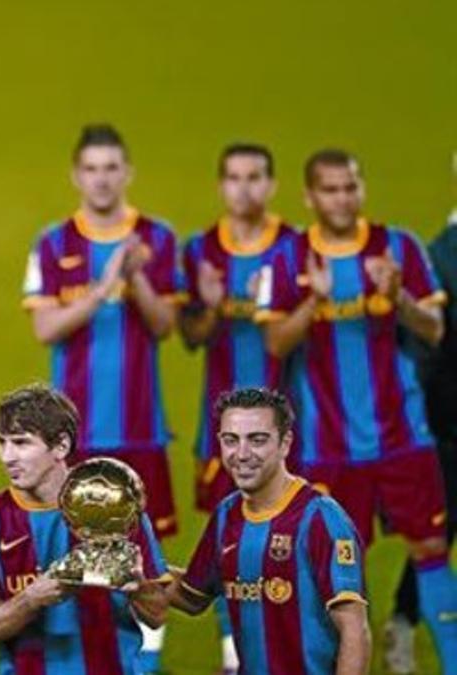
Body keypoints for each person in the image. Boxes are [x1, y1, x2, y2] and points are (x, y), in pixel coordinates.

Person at [256, 148, 457, 672]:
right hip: (327, 446)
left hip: (401, 436)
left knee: (432, 545)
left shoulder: (399, 249)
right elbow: (275, 342)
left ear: (361, 189)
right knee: (338, 565)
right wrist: (313, 304)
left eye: (350, 187)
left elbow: (435, 330)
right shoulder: (287, 259)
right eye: (331, 189)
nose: (342, 199)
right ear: (309, 196)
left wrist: (400, 298)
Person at [21, 123, 182, 669]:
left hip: (140, 427)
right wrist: (102, 286)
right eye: (91, 168)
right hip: (73, 436)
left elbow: (164, 326)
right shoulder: (53, 243)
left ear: (128, 173)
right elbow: (45, 329)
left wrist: (136, 281)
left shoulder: (158, 239)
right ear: (76, 176)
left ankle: (148, 663)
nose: (102, 179)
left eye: (112, 167)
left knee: (147, 557)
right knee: (79, 554)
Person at [177, 142, 298, 673]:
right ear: (221, 185)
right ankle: (234, 651)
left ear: (270, 185)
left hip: (295, 420)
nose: (244, 187)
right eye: (234, 177)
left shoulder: (295, 247)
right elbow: (191, 335)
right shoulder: (201, 249)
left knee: (294, 534)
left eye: (255, 177)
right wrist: (212, 304)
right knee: (231, 534)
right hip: (223, 425)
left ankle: (296, 641)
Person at [0, 384, 168, 674]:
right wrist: (32, 598)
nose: (7, 457)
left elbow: (158, 613)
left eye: (21, 443)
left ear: (61, 446)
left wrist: (138, 588)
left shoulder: (114, 507)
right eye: (1, 442)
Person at [166, 387, 371, 674]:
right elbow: (192, 596)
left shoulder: (320, 519)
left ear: (285, 443)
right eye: (231, 440)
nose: (242, 454)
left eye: (257, 440)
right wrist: (135, 568)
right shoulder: (227, 514)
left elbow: (354, 628)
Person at [382, 200, 457, 673]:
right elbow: (420, 347)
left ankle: (402, 622)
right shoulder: (437, 257)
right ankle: (403, 622)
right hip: (445, 420)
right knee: (439, 527)